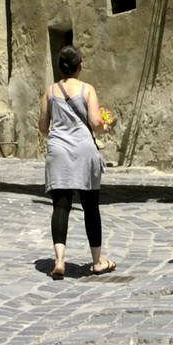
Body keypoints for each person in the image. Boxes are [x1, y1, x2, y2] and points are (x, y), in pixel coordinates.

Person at [39, 43, 115, 280]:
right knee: (90, 207)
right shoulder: (87, 89)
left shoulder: (50, 91)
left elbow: (43, 127)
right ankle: (97, 261)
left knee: (60, 206)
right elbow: (94, 122)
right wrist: (106, 126)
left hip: (58, 150)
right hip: (84, 150)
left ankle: (59, 260)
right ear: (80, 65)